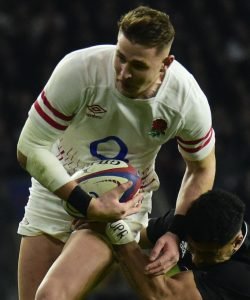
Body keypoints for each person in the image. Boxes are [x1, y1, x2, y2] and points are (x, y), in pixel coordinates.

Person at [16, 5, 216, 300]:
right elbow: (29, 148)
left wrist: (177, 233)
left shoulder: (186, 101)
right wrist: (85, 203)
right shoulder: (80, 70)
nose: (123, 73)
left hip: (123, 204)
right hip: (57, 187)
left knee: (51, 296)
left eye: (137, 65)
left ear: (165, 63)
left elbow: (201, 168)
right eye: (120, 58)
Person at [111, 189, 250, 299]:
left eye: (208, 254)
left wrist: (114, 229)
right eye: (191, 247)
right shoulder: (183, 223)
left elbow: (162, 296)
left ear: (237, 241)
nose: (196, 259)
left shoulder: (242, 276)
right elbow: (135, 234)